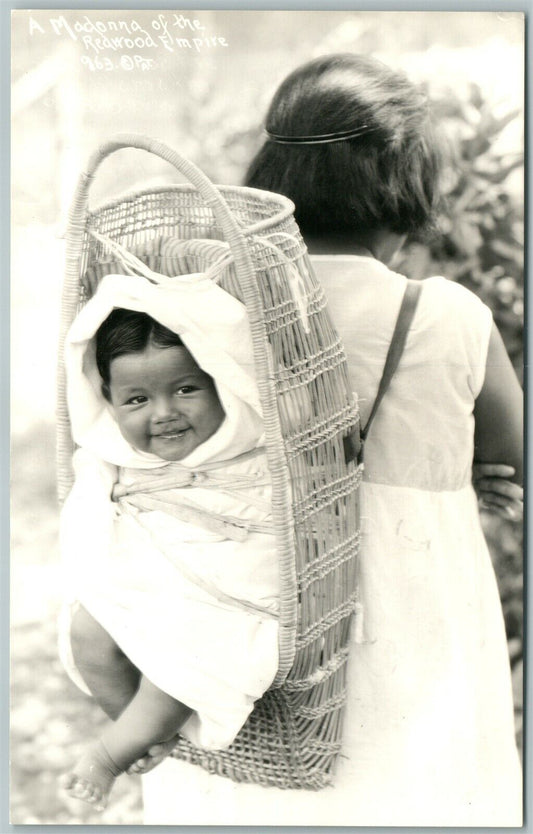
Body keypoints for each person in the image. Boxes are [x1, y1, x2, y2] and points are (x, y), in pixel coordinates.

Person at [138, 53, 523, 827]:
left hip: (247, 615)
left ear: (272, 169)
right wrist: (465, 470)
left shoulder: (206, 305)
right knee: (414, 793)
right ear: (406, 184)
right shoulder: (449, 317)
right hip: (415, 619)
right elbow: (513, 454)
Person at [58, 270, 280, 810]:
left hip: (225, 598)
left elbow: (268, 537)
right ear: (108, 402)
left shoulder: (250, 450)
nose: (164, 414)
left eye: (186, 389)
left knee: (184, 652)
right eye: (136, 400)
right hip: (149, 586)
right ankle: (145, 733)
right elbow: (90, 530)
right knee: (87, 631)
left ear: (220, 383)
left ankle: (111, 754)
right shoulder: (113, 458)